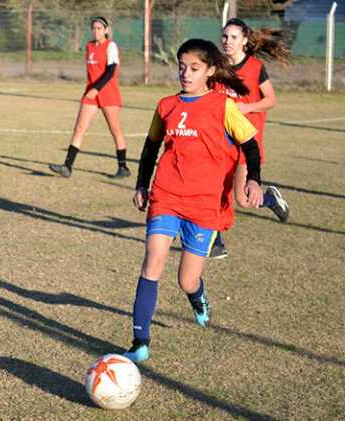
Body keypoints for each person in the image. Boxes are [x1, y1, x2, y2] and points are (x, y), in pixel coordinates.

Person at [122, 39, 263, 363]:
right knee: (152, 262)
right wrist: (142, 185)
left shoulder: (222, 105)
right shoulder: (165, 105)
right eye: (182, 67)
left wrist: (253, 180)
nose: (186, 74)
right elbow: (150, 148)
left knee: (187, 279)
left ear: (211, 71)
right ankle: (139, 342)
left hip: (204, 205)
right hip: (166, 196)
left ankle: (198, 299)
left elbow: (250, 145)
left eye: (194, 68)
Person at [209, 18, 291, 259]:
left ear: (244, 40)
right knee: (215, 191)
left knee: (243, 200)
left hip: (246, 145)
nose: (227, 41)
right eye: (224, 37)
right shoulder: (217, 67)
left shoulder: (255, 67)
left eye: (233, 37)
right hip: (221, 143)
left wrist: (248, 107)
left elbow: (271, 100)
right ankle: (216, 243)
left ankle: (270, 200)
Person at [49, 16, 130, 179]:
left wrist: (97, 89)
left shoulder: (111, 46)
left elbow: (111, 71)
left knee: (115, 130)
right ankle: (67, 166)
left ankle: (123, 168)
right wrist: (92, 90)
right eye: (93, 28)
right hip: (91, 93)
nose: (96, 31)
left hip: (107, 92)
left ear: (106, 30)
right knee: (79, 128)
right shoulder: (89, 46)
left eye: (100, 28)